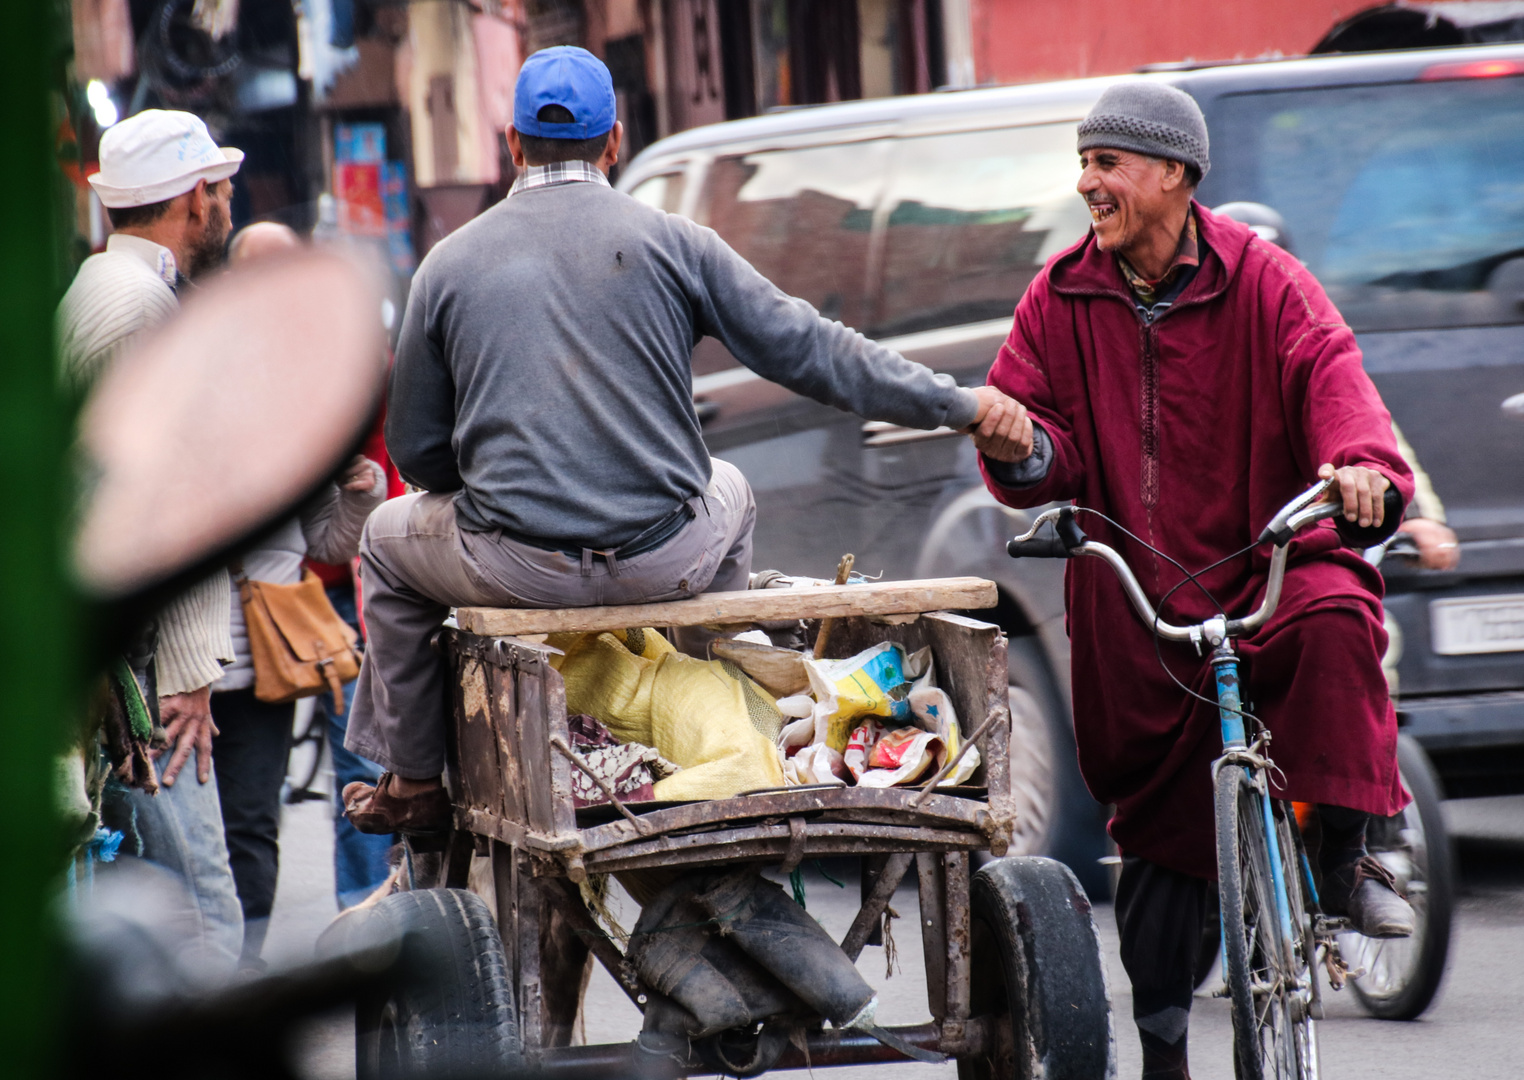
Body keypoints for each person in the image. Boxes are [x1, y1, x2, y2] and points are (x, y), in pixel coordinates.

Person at [340, 46, 1026, 835]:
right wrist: (961, 405)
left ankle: (415, 778)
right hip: (664, 560)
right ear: (615, 142)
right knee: (726, 484)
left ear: (511, 142)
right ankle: (708, 684)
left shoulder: (447, 265)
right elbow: (816, 351)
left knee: (389, 541)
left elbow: (420, 457)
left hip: (518, 570)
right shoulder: (678, 243)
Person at [978, 82, 1417, 1080]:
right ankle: (1167, 1048)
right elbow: (1044, 446)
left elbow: (1333, 374)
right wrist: (1020, 449)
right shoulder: (1059, 296)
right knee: (1163, 835)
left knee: (1339, 618)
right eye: (1085, 162)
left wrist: (1358, 468)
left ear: (1175, 175)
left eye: (1110, 163)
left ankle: (1344, 853)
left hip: (1270, 564)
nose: (1089, 181)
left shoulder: (1266, 281)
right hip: (1142, 596)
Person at [57, 108, 245, 976]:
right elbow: (175, 505)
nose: (230, 202)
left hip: (111, 653)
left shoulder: (108, 288)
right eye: (221, 188)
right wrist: (193, 676)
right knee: (203, 916)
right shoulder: (140, 307)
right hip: (142, 669)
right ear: (191, 199)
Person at [211, 222, 388, 964]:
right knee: (202, 829)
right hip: (208, 642)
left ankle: (274, 958)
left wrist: (360, 494)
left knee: (271, 813)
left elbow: (325, 534)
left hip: (295, 628)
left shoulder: (339, 368)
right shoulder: (205, 370)